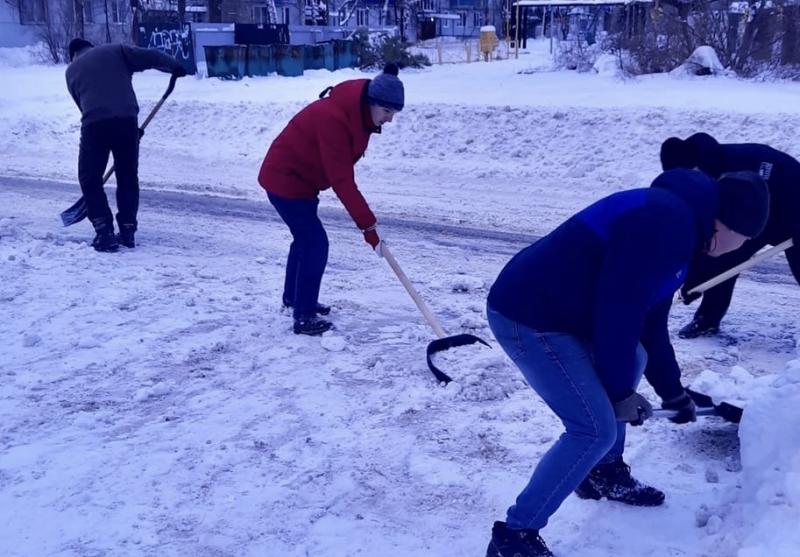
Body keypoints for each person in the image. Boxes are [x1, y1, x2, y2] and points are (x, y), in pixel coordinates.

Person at [484, 169, 769, 557]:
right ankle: (514, 537)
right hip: (529, 317)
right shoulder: (666, 223)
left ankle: (602, 471)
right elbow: (617, 311)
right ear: (731, 225)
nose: (743, 249)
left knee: (634, 354)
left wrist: (673, 394)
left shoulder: (686, 226)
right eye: (746, 241)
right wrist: (618, 394)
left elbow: (649, 322)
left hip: (565, 313)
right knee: (592, 428)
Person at [258, 63, 404, 336]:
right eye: (386, 112)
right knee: (314, 242)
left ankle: (294, 299)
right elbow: (342, 180)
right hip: (284, 179)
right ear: (372, 103)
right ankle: (303, 316)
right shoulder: (334, 118)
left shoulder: (359, 115)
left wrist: (368, 227)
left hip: (303, 181)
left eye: (393, 113)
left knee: (304, 240)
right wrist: (368, 226)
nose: (389, 119)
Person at [660, 132, 800, 338]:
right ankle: (707, 319)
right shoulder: (707, 172)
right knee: (724, 258)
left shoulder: (733, 169)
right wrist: (693, 283)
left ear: (692, 165)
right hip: (757, 217)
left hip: (791, 212)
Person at [65, 38, 187, 252]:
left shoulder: (71, 71)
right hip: (126, 121)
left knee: (90, 178)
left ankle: (104, 231)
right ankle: (128, 230)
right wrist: (174, 66)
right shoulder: (116, 51)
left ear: (73, 55)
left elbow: (85, 107)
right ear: (92, 48)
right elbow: (151, 56)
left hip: (95, 125)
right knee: (127, 176)